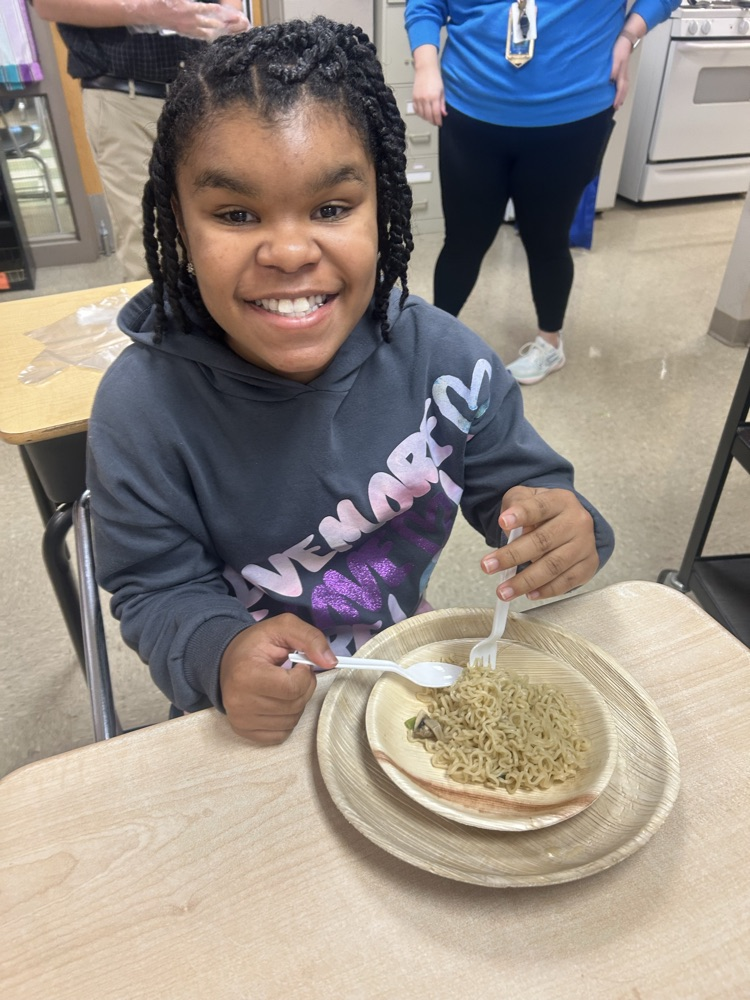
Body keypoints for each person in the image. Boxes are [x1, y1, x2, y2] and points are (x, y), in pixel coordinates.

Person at [86, 17, 615, 747]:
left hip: (400, 685)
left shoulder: (447, 360)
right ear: (179, 222)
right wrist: (219, 654)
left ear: (382, 206)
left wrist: (558, 525)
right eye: (236, 214)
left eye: (332, 208)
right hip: (252, 710)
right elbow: (155, 586)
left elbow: (524, 487)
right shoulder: (140, 410)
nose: (289, 251)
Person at [405, 0, 681, 384]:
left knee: (548, 240)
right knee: (463, 241)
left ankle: (550, 343)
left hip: (573, 114)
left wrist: (629, 35)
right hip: (470, 110)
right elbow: (425, 4)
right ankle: (435, 343)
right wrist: (425, 64)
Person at [31, 0, 249, 280]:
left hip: (209, 92)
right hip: (125, 95)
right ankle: (162, 310)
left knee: (227, 220)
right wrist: (148, 11)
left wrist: (228, 16)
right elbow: (48, 5)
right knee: (151, 247)